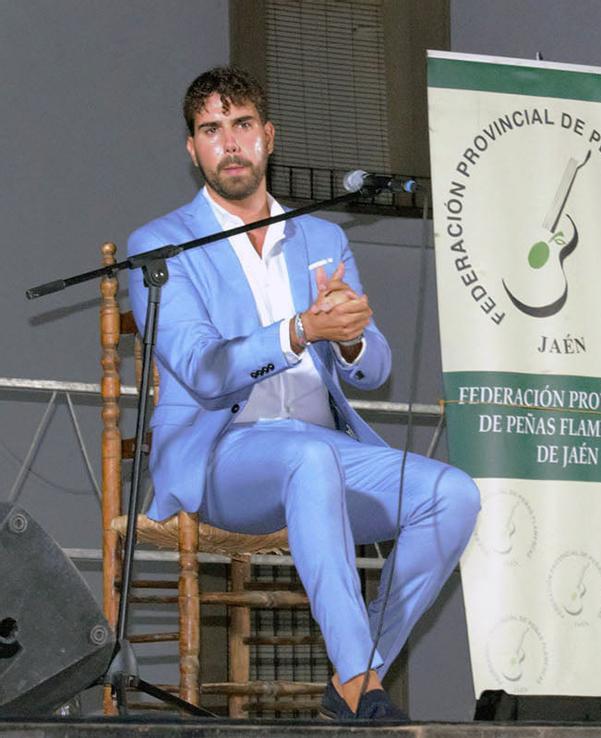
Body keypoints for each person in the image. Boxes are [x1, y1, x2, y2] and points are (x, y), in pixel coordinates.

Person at [127, 66, 480, 721]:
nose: (230, 143)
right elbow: (204, 370)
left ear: (269, 136)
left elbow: (374, 368)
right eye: (211, 130)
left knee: (453, 495)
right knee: (306, 457)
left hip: (323, 448)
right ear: (193, 149)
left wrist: (350, 340)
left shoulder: (323, 238)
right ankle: (362, 687)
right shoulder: (161, 246)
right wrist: (298, 331)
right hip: (222, 456)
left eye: (241, 125)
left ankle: (354, 674)